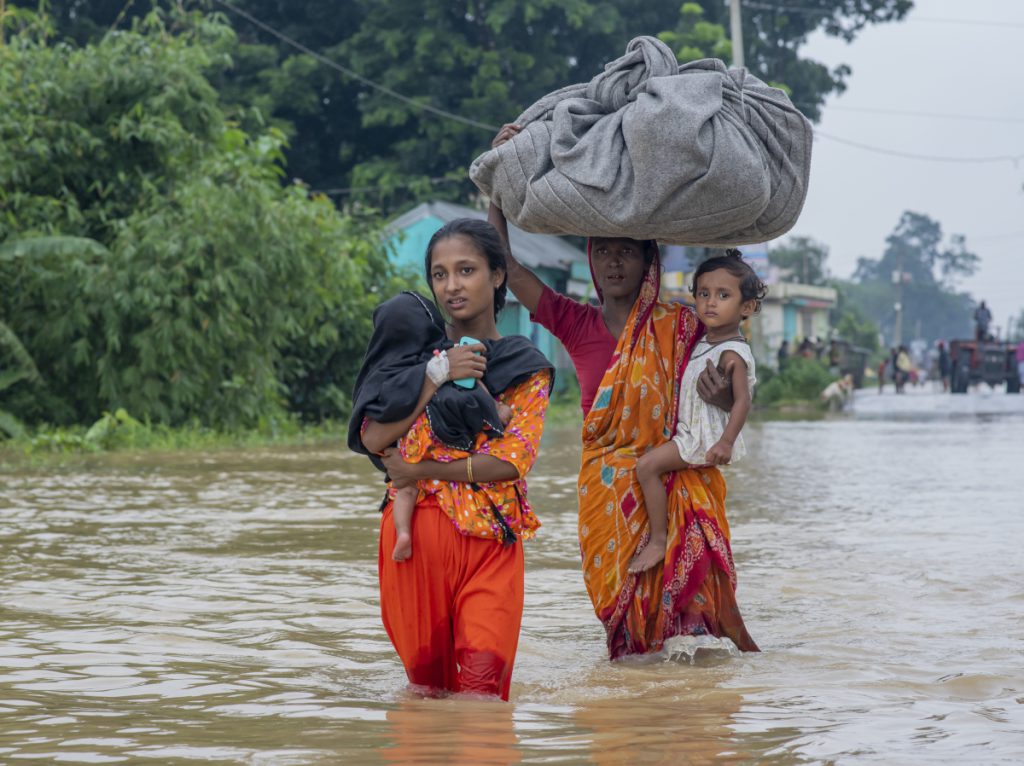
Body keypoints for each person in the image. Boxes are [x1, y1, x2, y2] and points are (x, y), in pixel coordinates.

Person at [486, 123, 758, 659]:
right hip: (606, 489)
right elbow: (508, 268)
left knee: (695, 630)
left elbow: (731, 382)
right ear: (590, 259)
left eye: (626, 252)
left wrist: (726, 402)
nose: (613, 263)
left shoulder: (683, 325)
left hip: (675, 474)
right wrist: (497, 185)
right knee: (628, 638)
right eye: (603, 251)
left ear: (647, 260)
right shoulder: (571, 320)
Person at [351, 218, 554, 700]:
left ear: (497, 275)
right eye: (439, 275)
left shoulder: (524, 364)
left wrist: (421, 470)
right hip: (412, 541)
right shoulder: (412, 357)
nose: (452, 286)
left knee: (483, 694)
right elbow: (373, 436)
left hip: (490, 540)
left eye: (466, 270)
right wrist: (435, 376)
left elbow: (512, 461)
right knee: (427, 696)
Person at [628, 253, 764, 573]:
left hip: (701, 438)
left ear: (747, 308)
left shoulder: (733, 352)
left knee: (646, 467)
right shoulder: (703, 341)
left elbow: (743, 401)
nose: (710, 303)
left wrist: (726, 443)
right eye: (703, 294)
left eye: (723, 295)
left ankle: (659, 540)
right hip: (689, 431)